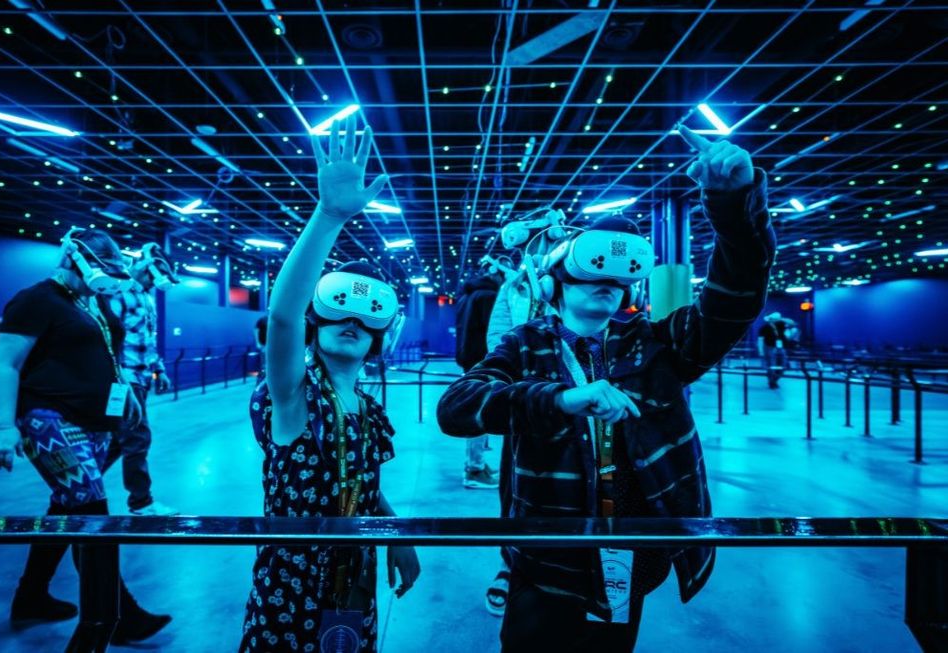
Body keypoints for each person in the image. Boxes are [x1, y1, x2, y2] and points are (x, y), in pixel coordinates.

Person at [437, 125, 775, 652]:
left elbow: (735, 299)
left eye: (620, 282)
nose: (609, 287)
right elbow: (456, 409)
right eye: (593, 275)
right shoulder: (525, 346)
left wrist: (733, 205)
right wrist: (558, 399)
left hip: (631, 557)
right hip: (545, 559)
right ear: (553, 283)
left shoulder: (660, 348)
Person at [240, 115, 420, 653]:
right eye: (340, 308)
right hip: (293, 571)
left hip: (354, 568)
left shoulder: (365, 406)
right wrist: (329, 216)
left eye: (369, 318)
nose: (354, 322)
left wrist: (396, 538)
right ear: (317, 324)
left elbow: (364, 484)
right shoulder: (293, 394)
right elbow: (283, 319)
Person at [0, 227, 172, 650]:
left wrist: (125, 394)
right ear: (74, 259)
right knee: (92, 513)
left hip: (96, 423)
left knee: (67, 507)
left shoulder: (93, 302)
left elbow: (108, 350)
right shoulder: (35, 299)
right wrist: (1, 426)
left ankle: (30, 596)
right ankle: (118, 615)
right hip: (49, 421)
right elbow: (6, 366)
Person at [482, 212, 567, 617]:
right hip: (527, 400)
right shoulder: (512, 287)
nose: (532, 250)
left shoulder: (575, 274)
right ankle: (509, 564)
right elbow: (495, 341)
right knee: (514, 489)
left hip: (580, 395)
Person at [105, 243, 179, 516]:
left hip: (142, 375)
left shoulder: (147, 297)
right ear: (151, 269)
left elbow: (147, 338)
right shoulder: (119, 292)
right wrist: (118, 374)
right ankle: (141, 502)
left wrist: (159, 370)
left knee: (117, 438)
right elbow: (109, 337)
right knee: (137, 436)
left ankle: (85, 481)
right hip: (125, 378)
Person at [454, 262, 503, 490]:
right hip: (483, 361)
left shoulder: (468, 296)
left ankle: (477, 465)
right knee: (479, 414)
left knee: (479, 412)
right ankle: (474, 470)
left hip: (469, 359)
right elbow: (493, 333)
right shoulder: (488, 296)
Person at [757, 311, 788, 388]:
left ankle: (774, 380)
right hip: (769, 348)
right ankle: (772, 382)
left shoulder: (781, 326)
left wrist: (782, 319)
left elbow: (792, 323)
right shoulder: (764, 328)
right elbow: (760, 340)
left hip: (780, 348)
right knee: (771, 365)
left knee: (783, 365)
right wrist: (761, 352)